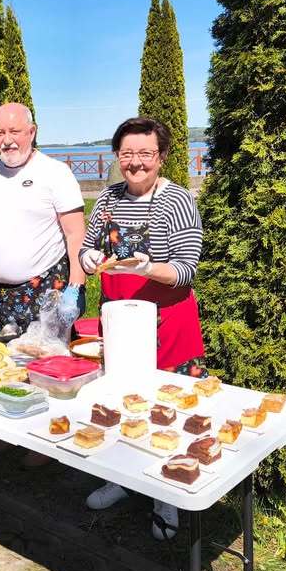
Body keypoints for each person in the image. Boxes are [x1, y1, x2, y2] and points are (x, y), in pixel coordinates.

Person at [79, 116, 205, 540]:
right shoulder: (107, 199)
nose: (136, 163)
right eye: (127, 153)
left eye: (146, 154)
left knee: (167, 410)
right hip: (120, 322)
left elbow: (187, 269)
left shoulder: (177, 200)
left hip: (167, 321)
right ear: (118, 156)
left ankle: (167, 493)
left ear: (161, 156)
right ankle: (121, 476)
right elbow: (88, 248)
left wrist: (148, 267)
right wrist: (88, 260)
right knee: (120, 402)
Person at [0, 102, 87, 335]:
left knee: (47, 357)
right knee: (5, 357)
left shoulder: (56, 172)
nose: (7, 140)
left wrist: (76, 287)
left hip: (46, 292)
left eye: (14, 131)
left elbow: (76, 235)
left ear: (32, 132)